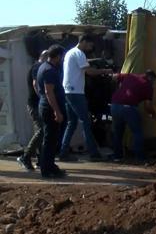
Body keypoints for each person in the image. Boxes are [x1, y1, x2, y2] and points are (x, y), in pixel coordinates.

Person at [59, 34, 112, 161]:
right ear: (83, 41)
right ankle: (94, 153)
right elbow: (89, 72)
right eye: (89, 45)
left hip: (68, 91)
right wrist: (106, 71)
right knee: (86, 121)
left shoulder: (70, 53)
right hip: (76, 92)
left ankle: (63, 152)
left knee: (71, 123)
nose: (90, 48)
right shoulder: (79, 54)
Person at [109, 70, 156, 162]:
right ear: (151, 77)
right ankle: (139, 157)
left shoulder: (131, 76)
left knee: (118, 132)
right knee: (137, 132)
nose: (153, 82)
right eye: (153, 80)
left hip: (115, 105)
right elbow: (148, 106)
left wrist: (119, 88)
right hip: (129, 108)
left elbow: (114, 76)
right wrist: (153, 114)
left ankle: (117, 156)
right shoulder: (148, 85)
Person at [36, 45, 67, 178]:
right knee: (50, 140)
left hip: (46, 106)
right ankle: (46, 169)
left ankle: (50, 165)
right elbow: (49, 92)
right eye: (62, 56)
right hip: (50, 109)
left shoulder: (44, 66)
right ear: (58, 56)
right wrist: (57, 111)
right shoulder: (49, 70)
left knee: (51, 139)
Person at [17, 50, 48, 170]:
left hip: (35, 103)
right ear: (44, 57)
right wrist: (42, 98)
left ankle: (41, 160)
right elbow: (35, 84)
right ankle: (25, 156)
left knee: (41, 132)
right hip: (35, 104)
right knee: (41, 130)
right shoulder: (38, 66)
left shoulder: (37, 66)